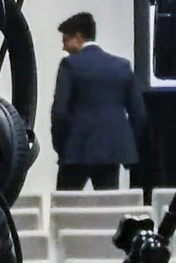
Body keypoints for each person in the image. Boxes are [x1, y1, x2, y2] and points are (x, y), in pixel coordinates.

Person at [49, 12, 148, 191]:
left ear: (78, 37)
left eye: (65, 40)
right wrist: (124, 141)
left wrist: (61, 146)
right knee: (108, 207)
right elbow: (138, 113)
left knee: (65, 209)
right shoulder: (122, 66)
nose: (63, 47)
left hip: (75, 149)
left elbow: (60, 112)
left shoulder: (70, 65)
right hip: (111, 151)